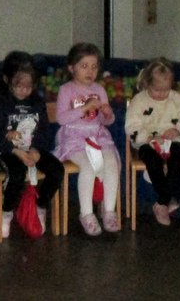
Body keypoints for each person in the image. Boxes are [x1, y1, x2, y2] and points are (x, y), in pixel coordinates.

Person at [0, 51, 64, 238]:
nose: (24, 91)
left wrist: (36, 150)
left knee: (57, 170)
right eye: (19, 86)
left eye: (29, 86)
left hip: (32, 150)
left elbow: (44, 131)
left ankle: (40, 205)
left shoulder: (37, 102)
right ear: (7, 80)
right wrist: (14, 149)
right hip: (6, 151)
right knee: (17, 173)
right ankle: (6, 212)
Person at [52, 42, 121, 235]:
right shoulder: (66, 89)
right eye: (84, 66)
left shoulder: (100, 89)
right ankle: (87, 214)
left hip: (97, 135)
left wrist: (107, 114)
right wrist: (84, 108)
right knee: (87, 168)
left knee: (111, 162)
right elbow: (61, 118)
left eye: (94, 67)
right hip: (73, 137)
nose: (90, 71)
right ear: (71, 68)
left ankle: (109, 210)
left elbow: (107, 121)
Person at [125, 57, 180, 226]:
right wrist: (148, 137)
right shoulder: (139, 100)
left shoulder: (177, 99)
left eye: (166, 90)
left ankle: (162, 202)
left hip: (173, 142)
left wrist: (178, 129)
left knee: (178, 157)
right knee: (152, 160)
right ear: (147, 84)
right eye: (157, 90)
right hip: (147, 143)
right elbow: (131, 126)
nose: (162, 95)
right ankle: (166, 199)